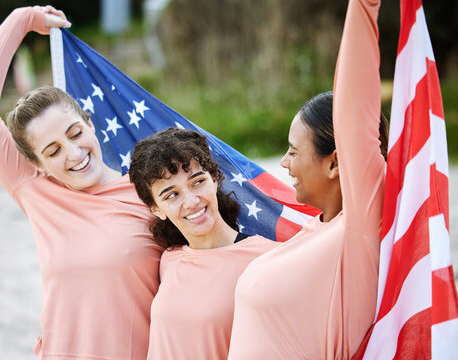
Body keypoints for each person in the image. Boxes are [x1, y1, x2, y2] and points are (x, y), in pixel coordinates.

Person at [0, 6, 163, 359]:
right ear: (37, 163)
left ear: (89, 122)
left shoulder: (151, 193)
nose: (73, 154)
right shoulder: (36, 192)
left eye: (74, 133)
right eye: (52, 151)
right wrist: (22, 20)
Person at [227, 0, 388, 358]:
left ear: (335, 163)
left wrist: (363, 6)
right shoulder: (314, 228)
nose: (283, 162)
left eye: (294, 151)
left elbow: (355, 112)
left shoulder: (359, 230)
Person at [128, 128, 278, 360]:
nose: (191, 202)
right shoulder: (169, 259)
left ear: (214, 178)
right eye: (171, 195)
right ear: (157, 209)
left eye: (197, 182)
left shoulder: (265, 259)